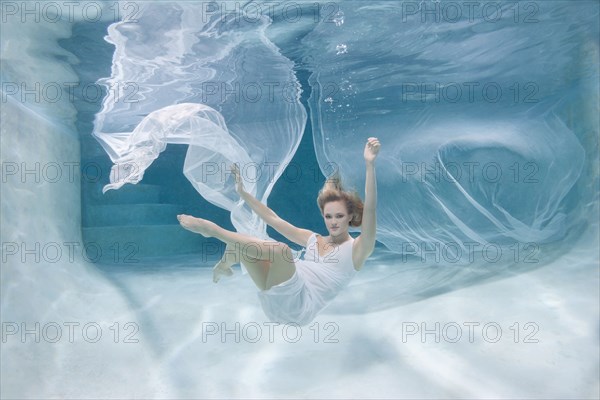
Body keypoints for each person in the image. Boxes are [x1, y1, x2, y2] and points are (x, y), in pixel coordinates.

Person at [177, 137, 380, 325]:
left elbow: (370, 209)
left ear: (351, 217)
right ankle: (224, 265)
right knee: (244, 243)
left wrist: (370, 165)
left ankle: (210, 229)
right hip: (276, 299)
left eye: (339, 216)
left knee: (281, 251)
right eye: (328, 216)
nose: (333, 222)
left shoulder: (357, 249)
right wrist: (242, 193)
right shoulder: (313, 239)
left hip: (299, 307)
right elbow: (272, 218)